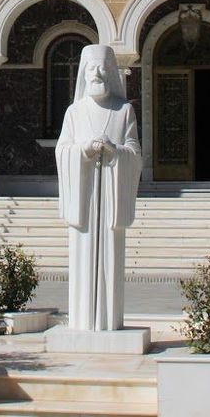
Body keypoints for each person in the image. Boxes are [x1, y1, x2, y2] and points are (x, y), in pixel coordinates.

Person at [54, 44, 141, 331]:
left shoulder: (124, 111)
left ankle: (108, 321)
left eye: (102, 68)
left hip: (111, 198)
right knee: (82, 257)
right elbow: (62, 150)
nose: (97, 73)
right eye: (91, 68)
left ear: (112, 72)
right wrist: (84, 150)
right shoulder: (74, 112)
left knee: (110, 259)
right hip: (84, 197)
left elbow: (134, 152)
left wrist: (115, 151)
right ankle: (81, 321)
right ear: (83, 73)